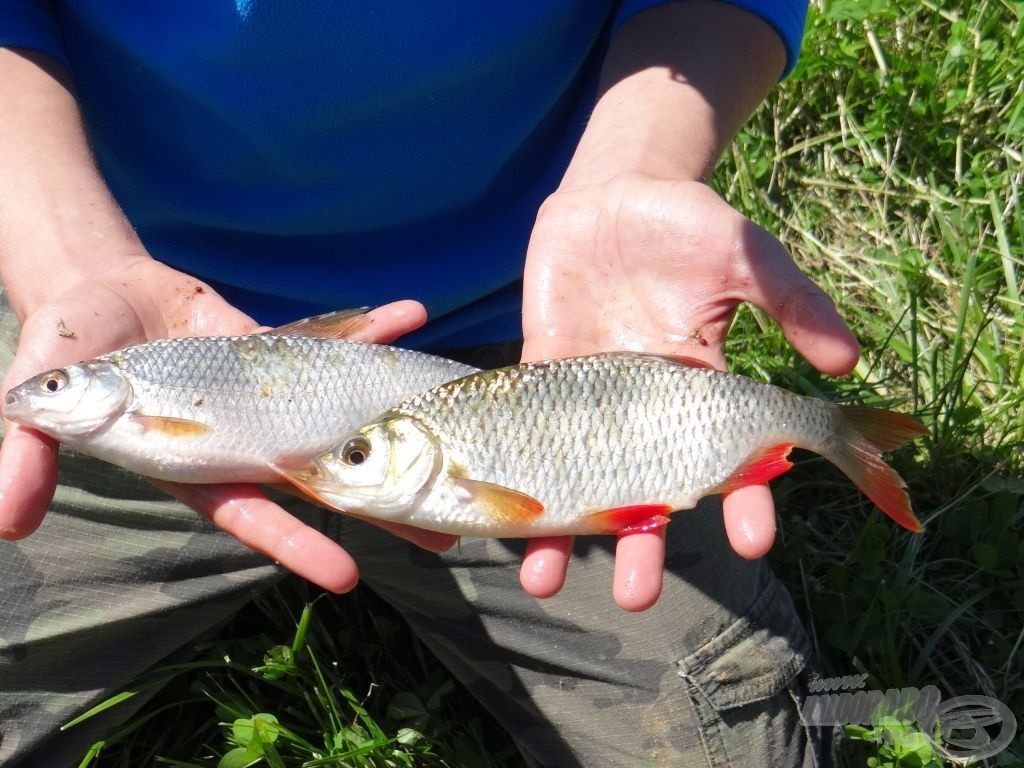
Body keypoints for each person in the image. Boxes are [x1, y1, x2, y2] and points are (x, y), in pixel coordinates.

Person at [0, 2, 859, 765]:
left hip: (537, 344)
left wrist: (637, 167)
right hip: (121, 299)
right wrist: (67, 259)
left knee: (737, 740)